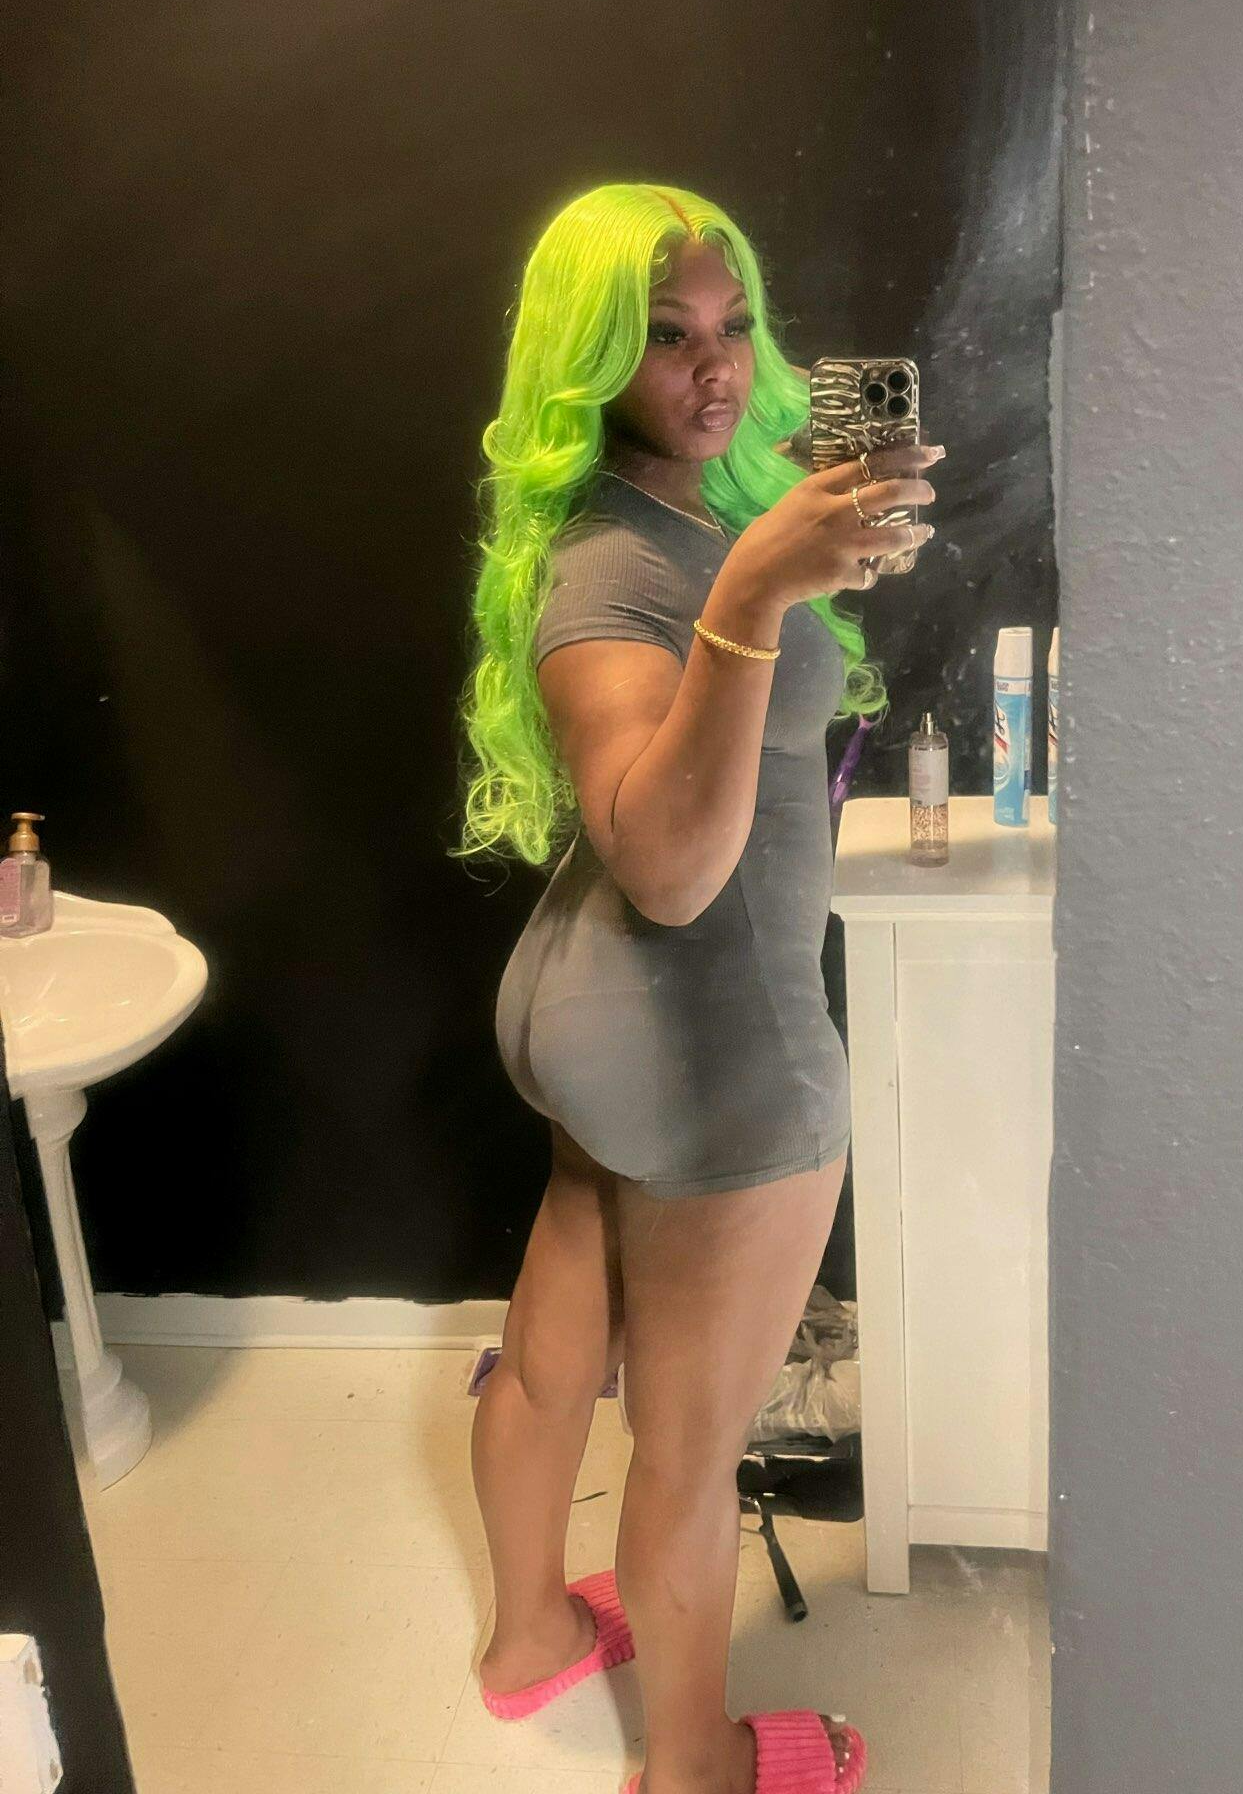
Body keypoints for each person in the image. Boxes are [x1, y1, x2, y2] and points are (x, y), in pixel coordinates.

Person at [455, 182, 941, 1794]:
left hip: (592, 1015)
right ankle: (695, 1766)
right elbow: (669, 867)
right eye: (666, 338)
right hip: (711, 1051)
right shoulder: (614, 575)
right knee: (688, 1450)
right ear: (591, 361)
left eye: (732, 327)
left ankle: (529, 1639)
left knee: (550, 1359)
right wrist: (751, 596)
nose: (715, 367)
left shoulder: (661, 509)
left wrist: (792, 561)